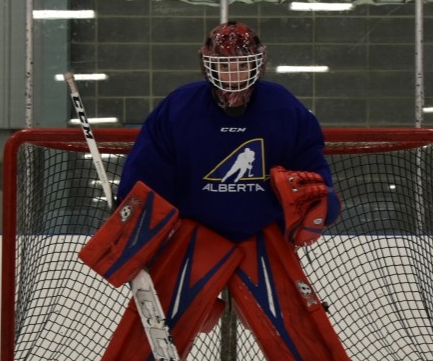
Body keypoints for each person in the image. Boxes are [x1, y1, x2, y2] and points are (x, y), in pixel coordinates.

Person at [84, 21, 349, 360]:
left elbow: (316, 175)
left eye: (241, 64)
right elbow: (147, 175)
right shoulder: (179, 108)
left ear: (259, 63)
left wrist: (319, 207)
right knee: (144, 341)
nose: (233, 74)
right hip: (194, 235)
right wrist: (132, 222)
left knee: (302, 337)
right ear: (206, 65)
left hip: (262, 236)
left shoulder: (285, 108)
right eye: (224, 66)